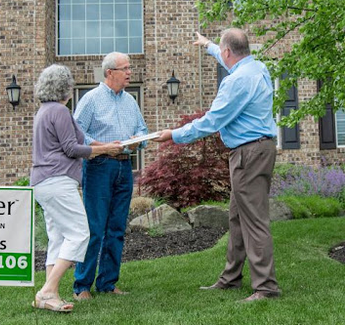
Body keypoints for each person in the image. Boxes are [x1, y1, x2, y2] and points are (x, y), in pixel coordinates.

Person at [154, 29, 281, 302]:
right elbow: (231, 61)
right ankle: (231, 278)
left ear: (227, 52)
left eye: (221, 51)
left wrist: (174, 135)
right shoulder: (257, 67)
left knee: (254, 221)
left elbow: (212, 121)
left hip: (248, 153)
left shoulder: (236, 82)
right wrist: (209, 45)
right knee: (237, 217)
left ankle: (266, 287)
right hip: (258, 149)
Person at [30, 64, 123, 313]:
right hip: (57, 181)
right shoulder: (59, 111)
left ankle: (50, 294)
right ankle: (47, 291)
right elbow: (72, 148)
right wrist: (105, 150)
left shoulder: (43, 111)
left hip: (43, 182)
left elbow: (81, 139)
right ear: (65, 88)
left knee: (58, 237)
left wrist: (103, 145)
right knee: (80, 234)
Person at [72, 52, 148, 300]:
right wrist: (101, 145)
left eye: (130, 68)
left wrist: (138, 142)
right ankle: (82, 286)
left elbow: (142, 129)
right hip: (99, 166)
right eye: (124, 68)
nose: (129, 73)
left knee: (116, 228)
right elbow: (76, 131)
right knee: (94, 228)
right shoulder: (91, 99)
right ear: (109, 73)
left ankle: (107, 282)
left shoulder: (131, 101)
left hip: (125, 167)